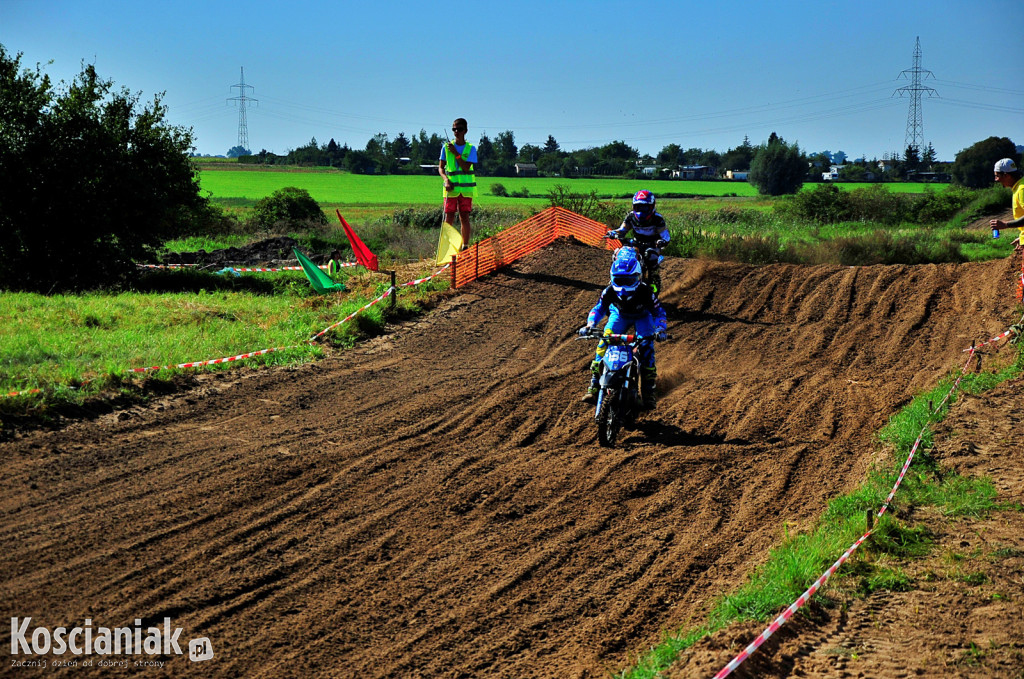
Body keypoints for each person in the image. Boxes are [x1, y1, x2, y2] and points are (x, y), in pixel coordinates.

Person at [579, 248, 668, 408]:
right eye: (619, 280)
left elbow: (659, 311)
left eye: (628, 280)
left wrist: (660, 329)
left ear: (637, 277)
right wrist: (590, 324)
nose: (623, 285)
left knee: (647, 347)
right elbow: (598, 309)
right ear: (613, 278)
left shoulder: (646, 291)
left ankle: (648, 394)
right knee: (604, 342)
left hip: (643, 316)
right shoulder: (609, 291)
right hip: (620, 314)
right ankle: (594, 386)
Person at [606, 189, 671, 293]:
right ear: (633, 206)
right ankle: (615, 279)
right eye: (638, 207)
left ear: (651, 206)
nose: (641, 210)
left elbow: (665, 235)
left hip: (653, 244)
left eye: (644, 207)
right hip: (636, 243)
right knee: (618, 253)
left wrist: (662, 241)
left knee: (651, 256)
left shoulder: (657, 219)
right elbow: (622, 230)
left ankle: (653, 283)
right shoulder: (631, 217)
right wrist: (613, 233)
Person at [438, 118, 478, 249]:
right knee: (448, 218)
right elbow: (441, 168)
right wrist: (446, 180)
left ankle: (465, 247)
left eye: (459, 129)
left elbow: (466, 167)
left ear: (465, 131)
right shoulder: (445, 147)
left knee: (464, 217)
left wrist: (455, 153)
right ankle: (446, 247)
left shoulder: (471, 148)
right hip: (451, 189)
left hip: (466, 190)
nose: (456, 132)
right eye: (454, 129)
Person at [991, 158, 1024, 250]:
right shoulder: (1019, 187)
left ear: (1007, 175)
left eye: (997, 176)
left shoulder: (1022, 189)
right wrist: (1022, 238)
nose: (996, 179)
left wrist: (1006, 224)